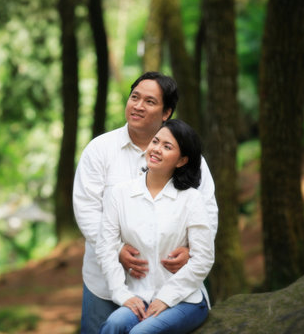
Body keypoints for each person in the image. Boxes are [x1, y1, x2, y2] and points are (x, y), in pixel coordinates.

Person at [73, 72, 218, 333]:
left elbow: (207, 211)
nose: (138, 105)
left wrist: (192, 251)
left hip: (169, 284)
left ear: (167, 113)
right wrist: (116, 248)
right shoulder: (100, 150)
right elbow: (86, 209)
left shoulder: (192, 163)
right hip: (105, 282)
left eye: (150, 101)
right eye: (134, 97)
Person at [96, 119, 214, 334]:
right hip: (139, 295)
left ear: (181, 160)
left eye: (167, 147)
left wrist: (166, 298)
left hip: (186, 298)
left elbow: (204, 258)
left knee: (140, 333)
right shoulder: (119, 194)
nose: (157, 149)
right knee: (114, 325)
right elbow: (106, 248)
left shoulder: (191, 199)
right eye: (156, 141)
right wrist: (122, 295)